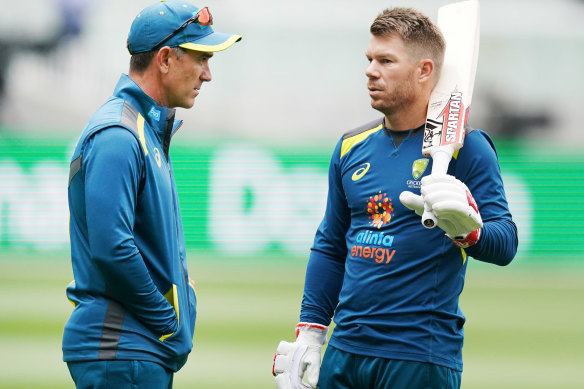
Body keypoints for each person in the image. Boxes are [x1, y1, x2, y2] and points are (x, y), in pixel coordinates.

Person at [273, 7, 517, 389]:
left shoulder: (467, 149)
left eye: (386, 61)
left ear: (424, 70)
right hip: (346, 351)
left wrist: (469, 232)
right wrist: (311, 333)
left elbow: (506, 243)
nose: (371, 70)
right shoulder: (351, 146)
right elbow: (330, 245)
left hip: (419, 356)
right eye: (369, 59)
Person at [62, 1, 241, 387]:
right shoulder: (119, 136)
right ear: (164, 59)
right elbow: (112, 248)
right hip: (122, 352)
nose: (207, 74)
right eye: (201, 58)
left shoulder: (142, 129)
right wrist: (168, 323)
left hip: (133, 353)